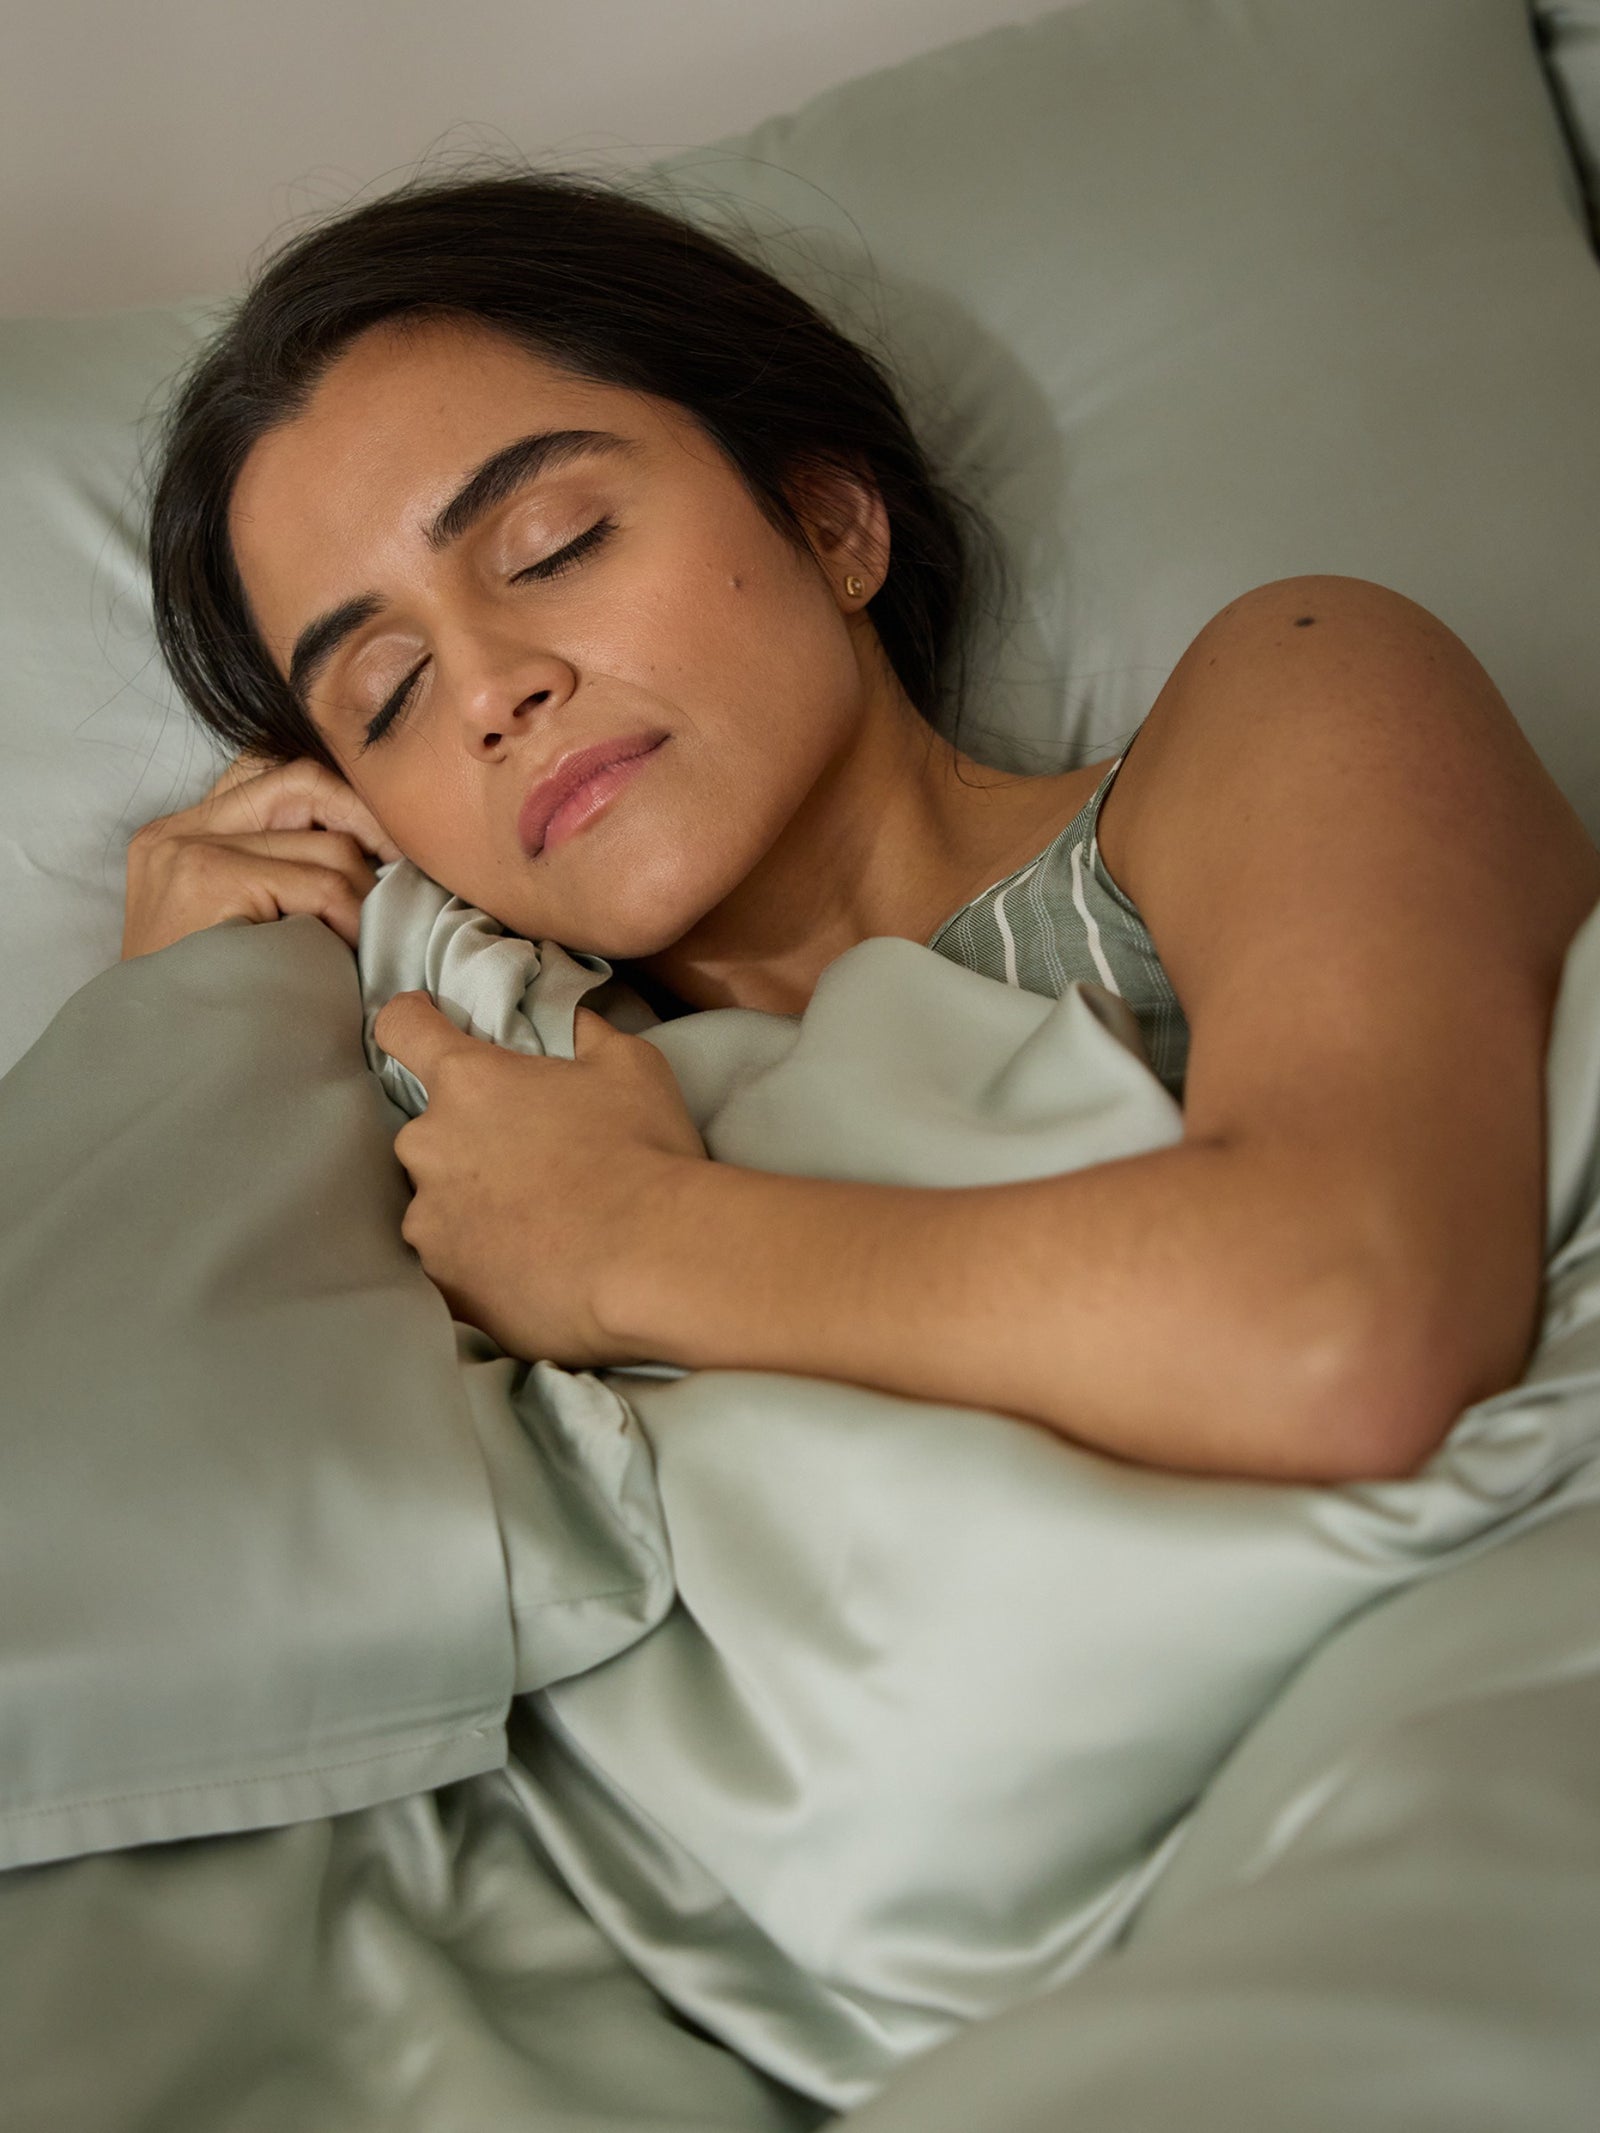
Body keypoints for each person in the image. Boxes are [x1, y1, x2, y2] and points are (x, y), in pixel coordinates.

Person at [125, 169, 1600, 1486]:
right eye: (387, 696)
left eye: (551, 545)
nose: (493, 693)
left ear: (832, 520)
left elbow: (1345, 1325)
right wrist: (177, 1051)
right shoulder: (484, 1133)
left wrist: (635, 1241)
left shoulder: (1295, 694)